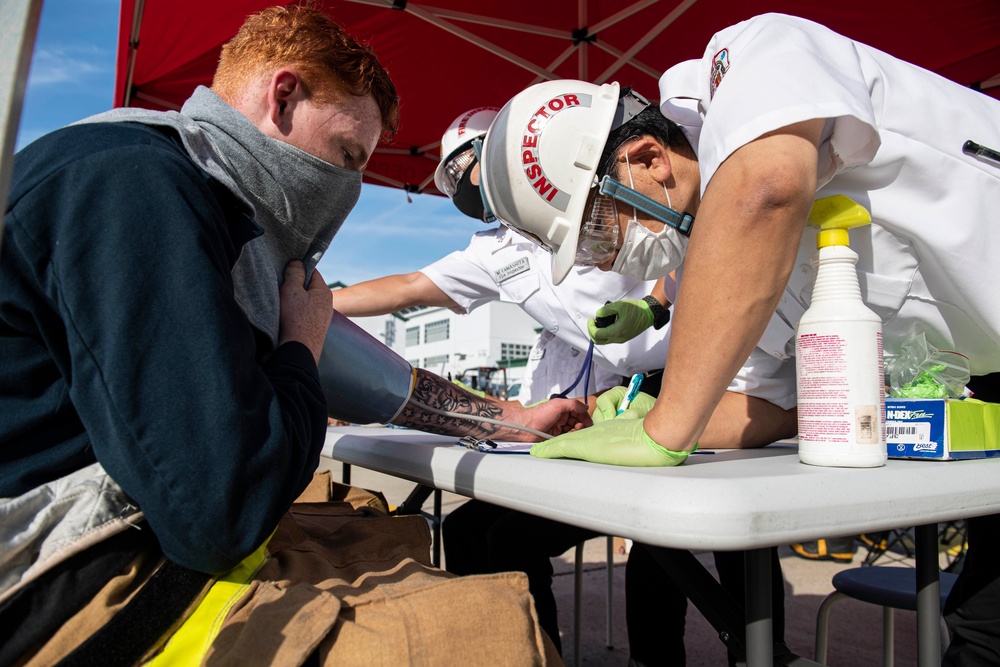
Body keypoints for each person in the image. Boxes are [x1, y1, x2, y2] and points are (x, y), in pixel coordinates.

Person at [0, 6, 588, 665]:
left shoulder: (222, 215)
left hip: (128, 525)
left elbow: (370, 376)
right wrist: (297, 350)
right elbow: (220, 515)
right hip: (48, 575)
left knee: (380, 521)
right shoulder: (133, 184)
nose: (350, 188)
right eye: (345, 155)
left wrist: (511, 419)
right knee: (487, 633)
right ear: (283, 96)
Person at [479, 12, 1000, 665]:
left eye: (599, 231)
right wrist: (631, 417)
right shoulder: (733, 272)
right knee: (982, 633)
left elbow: (767, 187)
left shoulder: (751, 57)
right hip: (989, 381)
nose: (604, 259)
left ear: (647, 158)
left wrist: (668, 422)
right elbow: (770, 408)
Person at [332, 106, 673, 655]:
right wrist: (320, 304)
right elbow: (411, 286)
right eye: (457, 176)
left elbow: (687, 247)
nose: (467, 183)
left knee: (667, 541)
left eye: (476, 165)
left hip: (677, 377)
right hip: (600, 411)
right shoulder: (497, 250)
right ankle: (524, 652)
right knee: (473, 532)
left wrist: (655, 306)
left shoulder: (596, 193)